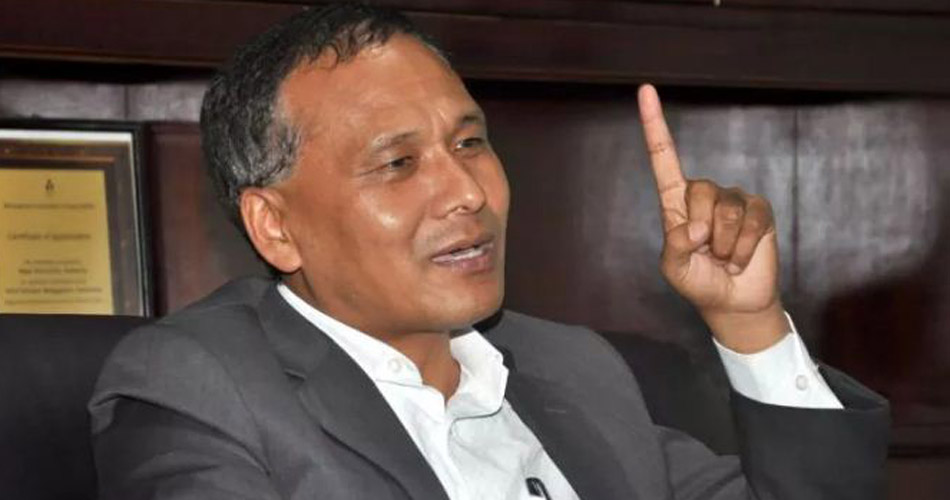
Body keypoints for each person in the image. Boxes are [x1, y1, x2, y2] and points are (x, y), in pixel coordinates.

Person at [89, 3, 889, 499]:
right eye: (398, 164)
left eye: (470, 143)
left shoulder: (571, 369)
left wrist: (749, 322)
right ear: (275, 226)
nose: (467, 191)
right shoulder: (198, 386)